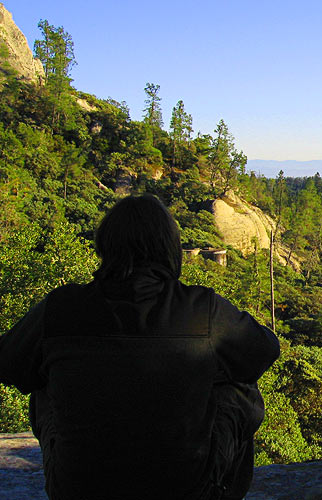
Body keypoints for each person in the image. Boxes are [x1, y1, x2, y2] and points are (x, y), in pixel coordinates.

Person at [0, 194, 280, 500]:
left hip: (77, 491)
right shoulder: (202, 309)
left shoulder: (60, 307)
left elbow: (8, 363)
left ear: (105, 245)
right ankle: (223, 489)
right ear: (169, 247)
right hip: (186, 492)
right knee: (241, 388)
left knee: (41, 378)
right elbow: (264, 351)